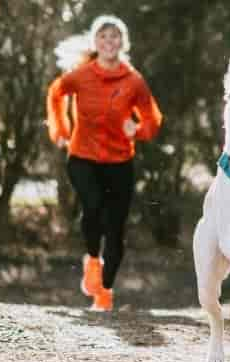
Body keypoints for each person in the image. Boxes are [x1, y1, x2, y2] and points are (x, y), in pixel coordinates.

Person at [47, 15, 163, 311]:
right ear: (95, 43)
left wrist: (136, 130)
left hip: (119, 162)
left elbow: (152, 120)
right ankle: (92, 261)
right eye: (103, 37)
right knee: (94, 206)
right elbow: (56, 93)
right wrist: (60, 130)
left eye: (114, 37)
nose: (109, 42)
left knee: (115, 229)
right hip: (82, 157)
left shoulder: (133, 81)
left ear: (122, 43)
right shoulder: (81, 75)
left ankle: (105, 292)